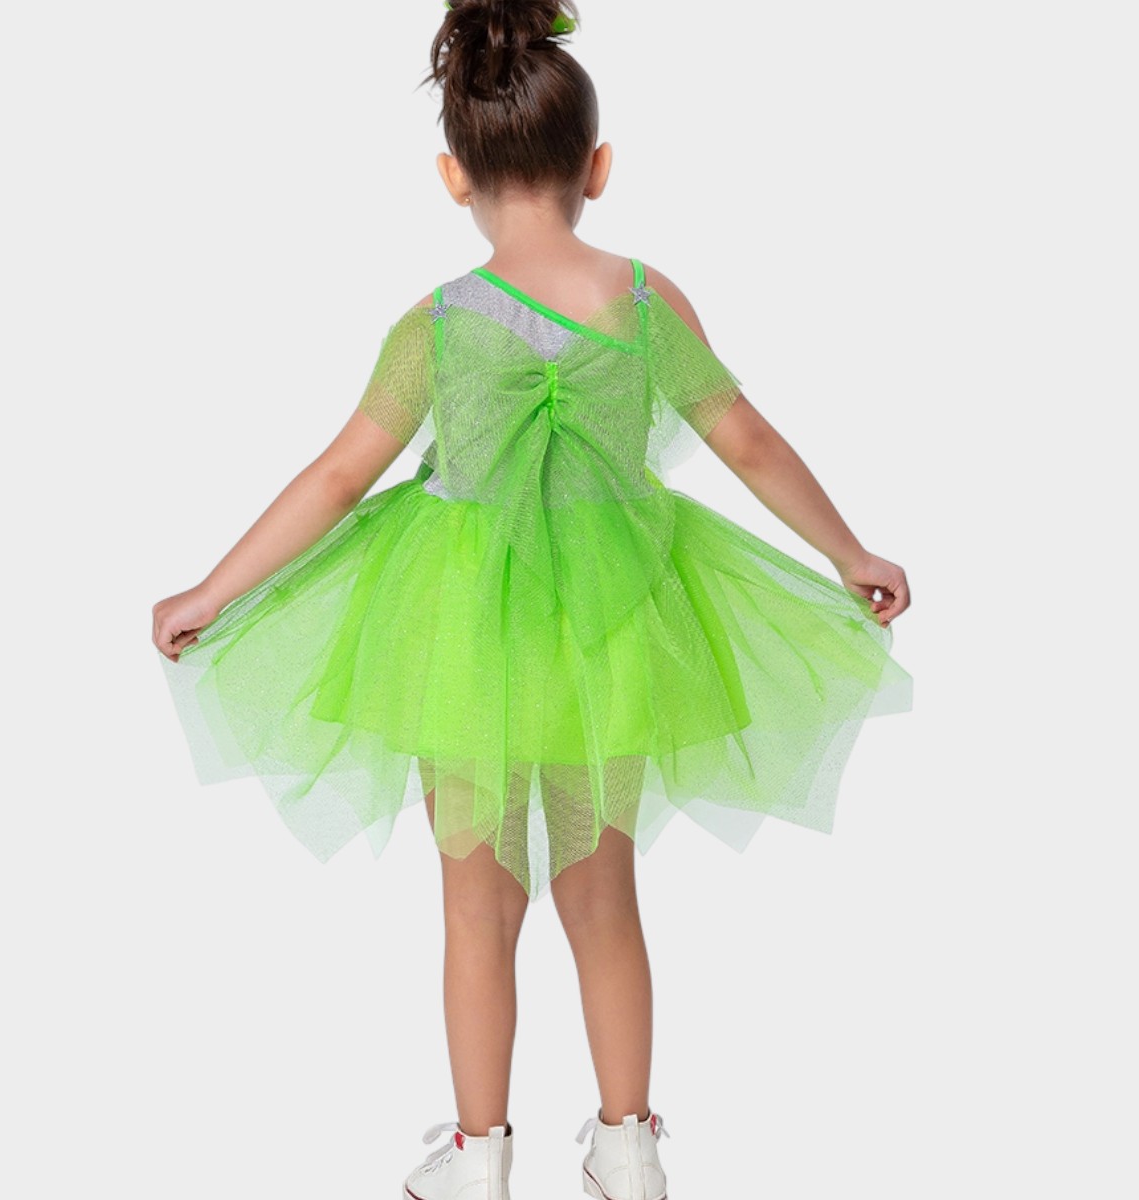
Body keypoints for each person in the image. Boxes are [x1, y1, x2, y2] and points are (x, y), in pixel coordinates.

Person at [151, 2, 913, 1196]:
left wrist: (213, 586)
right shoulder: (648, 302)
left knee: (476, 909)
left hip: (462, 637)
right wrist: (846, 550)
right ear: (597, 168)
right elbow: (750, 443)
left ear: (452, 175)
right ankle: (627, 1144)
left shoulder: (435, 326)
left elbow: (341, 478)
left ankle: (479, 1157)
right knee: (603, 900)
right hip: (614, 629)